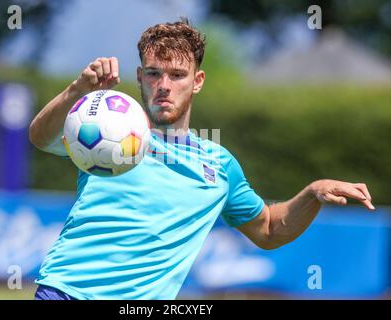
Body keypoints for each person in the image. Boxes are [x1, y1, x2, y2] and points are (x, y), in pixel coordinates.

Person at [29, 18, 374, 300]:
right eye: (153, 73)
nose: (163, 85)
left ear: (197, 81)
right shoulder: (104, 126)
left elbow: (269, 229)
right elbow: (41, 137)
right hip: (65, 292)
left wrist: (313, 192)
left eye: (177, 75)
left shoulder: (218, 165)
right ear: (139, 78)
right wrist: (78, 89)